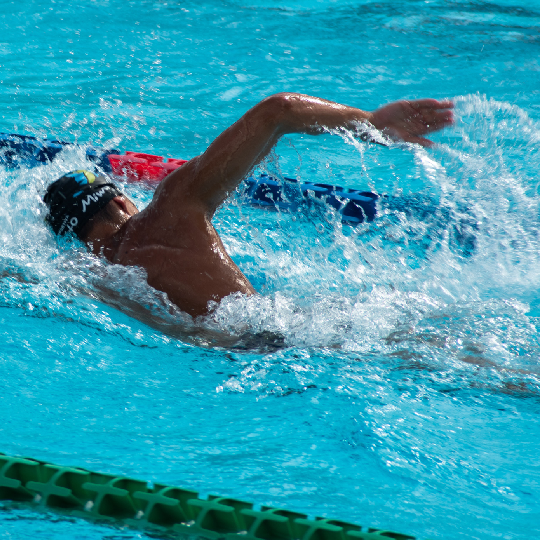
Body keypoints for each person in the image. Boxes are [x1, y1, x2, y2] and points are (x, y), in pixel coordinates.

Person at [44, 93, 453, 317]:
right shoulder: (170, 209)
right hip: (285, 336)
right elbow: (278, 111)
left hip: (219, 359)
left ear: (71, 236)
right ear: (121, 198)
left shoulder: (87, 279)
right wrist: (371, 123)